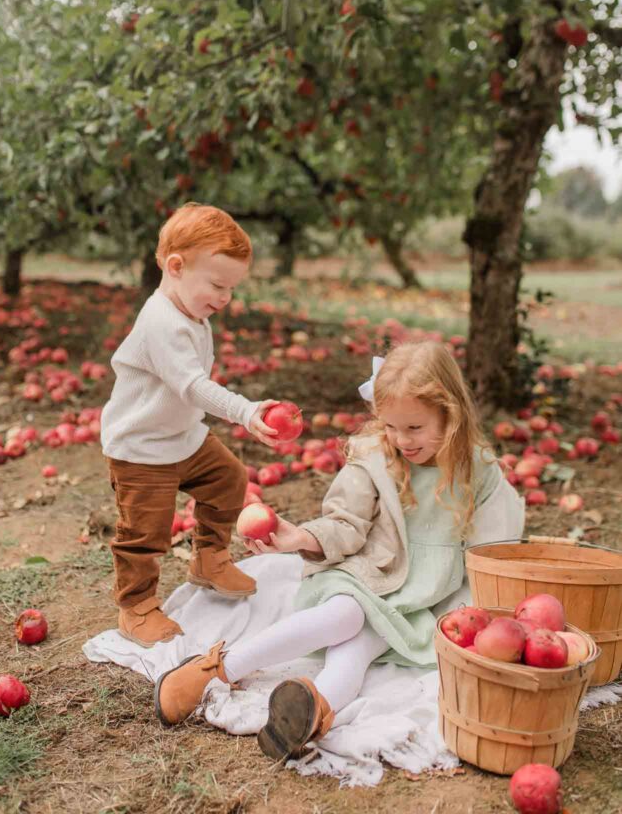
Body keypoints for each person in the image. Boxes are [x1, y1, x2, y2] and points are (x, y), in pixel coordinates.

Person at [153, 339, 523, 761]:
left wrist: (482, 614)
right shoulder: (374, 457)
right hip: (368, 574)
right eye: (390, 427)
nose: (401, 439)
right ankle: (216, 670)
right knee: (346, 615)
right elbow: (345, 523)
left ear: (450, 414)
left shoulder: (480, 472)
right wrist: (300, 539)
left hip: (424, 600)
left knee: (359, 650)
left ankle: (311, 715)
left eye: (415, 428)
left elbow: (493, 550)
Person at [101, 202, 285, 648]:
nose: (225, 298)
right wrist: (244, 410)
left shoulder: (192, 311)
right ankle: (137, 607)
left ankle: (210, 557)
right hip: (142, 449)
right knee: (145, 533)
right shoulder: (161, 322)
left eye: (231, 288)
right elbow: (191, 386)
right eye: (218, 285)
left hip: (182, 438)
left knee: (229, 479)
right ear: (177, 267)